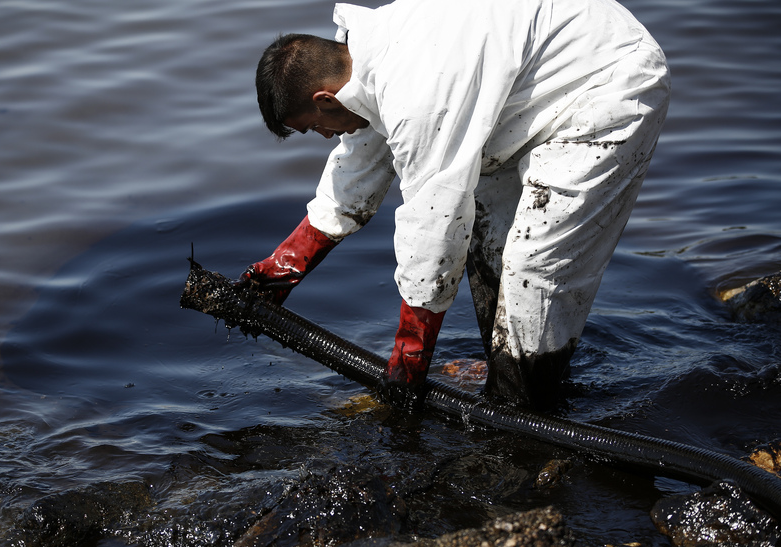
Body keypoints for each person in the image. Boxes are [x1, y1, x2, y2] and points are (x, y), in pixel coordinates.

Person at [241, 0, 670, 410]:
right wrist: (280, 271)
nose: (322, 136)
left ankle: (525, 408)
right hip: (532, 94)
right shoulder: (372, 61)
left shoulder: (415, 91)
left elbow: (434, 227)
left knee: (534, 267)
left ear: (324, 100)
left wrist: (409, 359)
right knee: (488, 241)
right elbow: (358, 168)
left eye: (313, 127)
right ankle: (509, 379)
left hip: (608, 83)